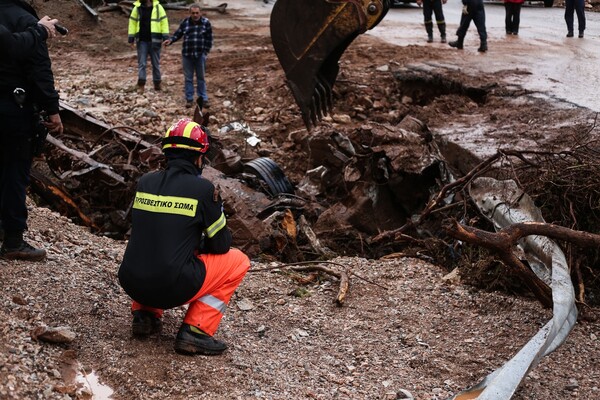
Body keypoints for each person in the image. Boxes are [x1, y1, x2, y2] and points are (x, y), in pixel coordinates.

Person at [118, 118, 250, 355]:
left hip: (131, 282)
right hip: (171, 286)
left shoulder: (145, 182)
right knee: (238, 260)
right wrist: (197, 244)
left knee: (158, 244)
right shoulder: (203, 190)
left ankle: (145, 315)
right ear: (200, 156)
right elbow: (220, 245)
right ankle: (196, 332)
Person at [0, 0, 63, 261]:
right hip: (13, 109)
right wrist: (52, 109)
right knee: (15, 172)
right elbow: (39, 70)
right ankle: (13, 239)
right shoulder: (25, 20)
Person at [163, 4, 213, 109]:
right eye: (193, 13)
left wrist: (205, 52)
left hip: (200, 55)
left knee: (201, 78)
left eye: (197, 13)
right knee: (188, 78)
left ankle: (203, 99)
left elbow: (209, 38)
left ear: (200, 13)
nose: (195, 15)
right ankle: (189, 99)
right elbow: (178, 34)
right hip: (187, 55)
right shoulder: (185, 22)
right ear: (190, 13)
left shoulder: (206, 23)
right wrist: (171, 40)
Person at [128, 0, 169, 93]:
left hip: (155, 40)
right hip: (142, 40)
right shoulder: (137, 8)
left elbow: (164, 22)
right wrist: (131, 38)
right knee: (142, 63)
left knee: (156, 64)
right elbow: (132, 23)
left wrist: (165, 37)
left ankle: (157, 83)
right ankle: (141, 85)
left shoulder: (158, 8)